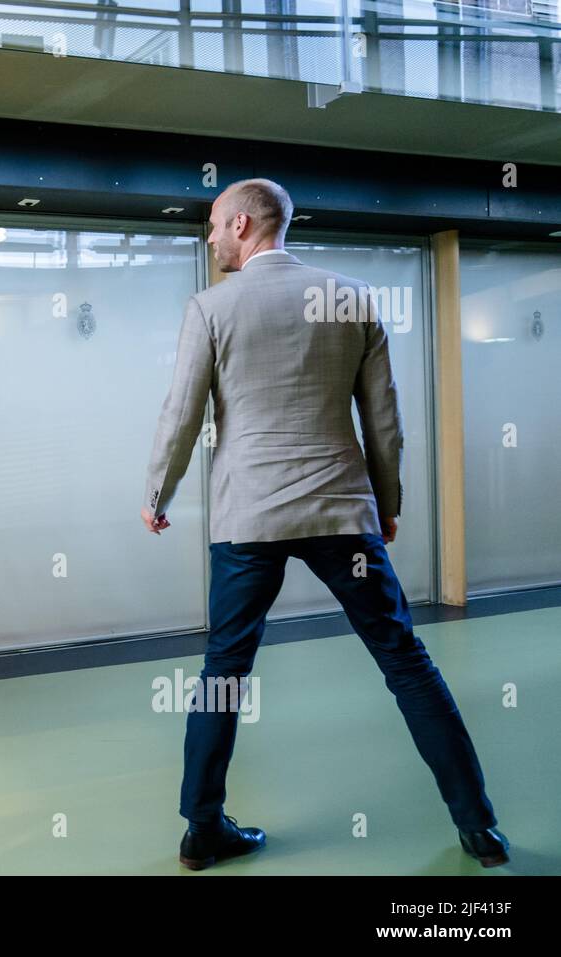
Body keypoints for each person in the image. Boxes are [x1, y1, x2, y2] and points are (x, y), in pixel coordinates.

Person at [142, 179, 507, 870]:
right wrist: (388, 503)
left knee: (224, 670)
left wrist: (159, 490)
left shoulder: (211, 308)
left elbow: (181, 413)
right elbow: (384, 420)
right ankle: (479, 828)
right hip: (343, 513)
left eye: (215, 225)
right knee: (406, 663)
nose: (210, 236)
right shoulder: (351, 297)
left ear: (243, 224)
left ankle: (202, 830)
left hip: (248, 520)